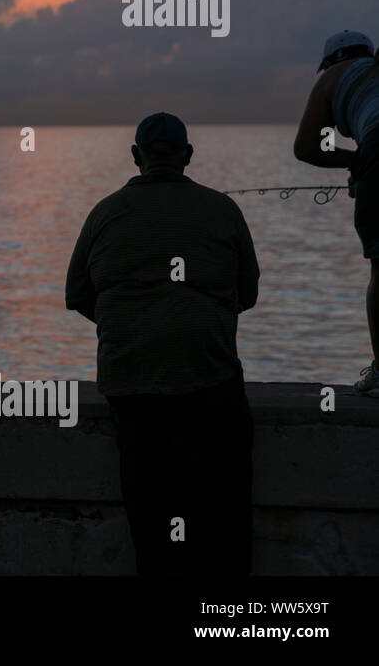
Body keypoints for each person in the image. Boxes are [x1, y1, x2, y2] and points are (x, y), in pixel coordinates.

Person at [65, 114, 259, 575]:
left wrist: (133, 319)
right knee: (223, 510)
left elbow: (77, 295)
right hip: (209, 381)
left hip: (132, 384)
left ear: (135, 156)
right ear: (188, 156)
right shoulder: (223, 210)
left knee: (150, 511)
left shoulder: (105, 213)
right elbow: (246, 295)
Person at [293, 30, 379, 396]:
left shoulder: (331, 78)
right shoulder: (372, 69)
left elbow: (306, 148)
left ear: (330, 61)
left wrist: (356, 163)